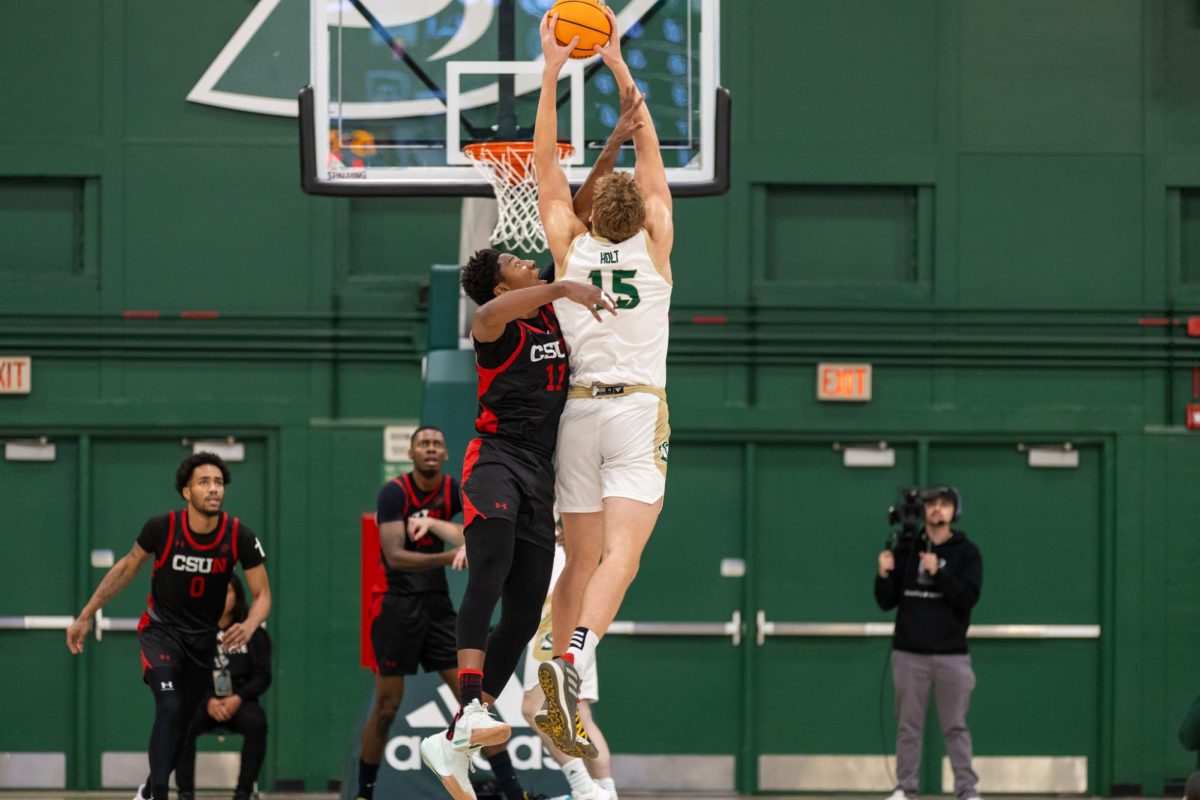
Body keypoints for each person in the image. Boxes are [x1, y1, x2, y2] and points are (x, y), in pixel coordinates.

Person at [417, 238, 614, 800]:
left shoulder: (545, 305)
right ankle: (473, 707)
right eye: (515, 263)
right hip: (495, 461)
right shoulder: (495, 326)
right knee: (490, 572)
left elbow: (571, 227)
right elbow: (482, 313)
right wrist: (558, 285)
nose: (530, 261)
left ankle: (457, 733)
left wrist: (608, 160)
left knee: (527, 612)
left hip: (540, 473)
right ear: (503, 286)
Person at [533, 5, 674, 758]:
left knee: (578, 557)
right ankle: (573, 663)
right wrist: (617, 63)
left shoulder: (570, 246)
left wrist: (554, 70)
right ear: (646, 213)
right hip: (634, 415)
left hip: (577, 416)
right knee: (623, 557)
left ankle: (557, 665)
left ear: (592, 214)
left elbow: (547, 168)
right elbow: (648, 155)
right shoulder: (655, 246)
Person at [66, 452, 271, 800]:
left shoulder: (239, 536)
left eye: (218, 482)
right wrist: (86, 614)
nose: (213, 489)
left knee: (184, 722)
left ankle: (148, 787)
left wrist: (251, 623)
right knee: (170, 706)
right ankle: (158, 793)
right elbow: (126, 569)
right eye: (204, 482)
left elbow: (262, 593)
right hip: (162, 632)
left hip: (202, 641)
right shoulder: (162, 528)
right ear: (186, 492)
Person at [356, 426, 468, 800]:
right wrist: (448, 555)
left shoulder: (452, 490)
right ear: (411, 453)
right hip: (396, 605)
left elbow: (477, 533)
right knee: (387, 708)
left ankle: (511, 789)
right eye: (424, 444)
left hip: (437, 606)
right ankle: (364, 792)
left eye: (437, 443)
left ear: (446, 454)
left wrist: (437, 525)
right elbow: (396, 557)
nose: (431, 449)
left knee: (474, 702)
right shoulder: (394, 492)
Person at [875, 486, 983, 800]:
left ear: (954, 512)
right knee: (909, 728)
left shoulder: (967, 552)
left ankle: (967, 789)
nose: (937, 510)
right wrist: (883, 575)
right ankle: (905, 788)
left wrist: (940, 573)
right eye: (931, 505)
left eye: (944, 505)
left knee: (955, 726)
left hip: (952, 655)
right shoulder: (905, 550)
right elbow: (886, 601)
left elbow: (967, 597)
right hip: (909, 653)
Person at [521, 523, 618, 800]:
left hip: (557, 602)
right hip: (570, 597)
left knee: (536, 707)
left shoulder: (544, 488)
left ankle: (584, 789)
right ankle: (606, 793)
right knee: (579, 714)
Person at [173, 575, 271, 800]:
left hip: (240, 701)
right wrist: (208, 700)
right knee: (181, 720)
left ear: (237, 597)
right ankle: (185, 792)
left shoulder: (251, 632)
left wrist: (238, 698)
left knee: (257, 722)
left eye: (226, 592)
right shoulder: (195, 633)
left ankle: (243, 791)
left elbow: (263, 676)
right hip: (203, 701)